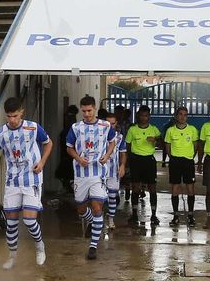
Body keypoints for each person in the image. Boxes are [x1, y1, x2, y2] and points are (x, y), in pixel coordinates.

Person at [0, 97, 51, 270]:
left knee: (29, 221)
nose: (12, 120)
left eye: (15, 116)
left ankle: (40, 246)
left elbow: (48, 143)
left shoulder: (33, 128)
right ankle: (12, 256)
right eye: (9, 116)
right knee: (11, 223)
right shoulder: (1, 133)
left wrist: (42, 162)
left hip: (32, 179)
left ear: (21, 112)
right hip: (12, 181)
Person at [64, 95, 115, 260]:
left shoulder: (105, 126)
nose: (86, 114)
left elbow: (112, 141)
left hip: (98, 173)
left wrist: (107, 155)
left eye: (89, 111)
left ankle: (93, 247)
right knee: (80, 208)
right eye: (84, 111)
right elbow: (69, 148)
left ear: (94, 109)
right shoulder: (76, 127)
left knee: (97, 207)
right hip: (80, 174)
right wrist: (78, 159)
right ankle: (93, 222)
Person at [123, 105, 162, 227]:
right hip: (136, 160)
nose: (144, 118)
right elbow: (127, 146)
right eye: (141, 115)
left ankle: (154, 215)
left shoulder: (154, 129)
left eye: (146, 116)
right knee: (135, 187)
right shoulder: (132, 130)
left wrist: (155, 141)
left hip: (149, 160)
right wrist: (127, 161)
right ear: (138, 116)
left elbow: (161, 143)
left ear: (149, 116)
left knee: (152, 187)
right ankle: (134, 214)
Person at [163, 105, 199, 226]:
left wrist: (190, 156)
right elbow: (167, 147)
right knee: (175, 188)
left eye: (185, 115)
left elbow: (195, 146)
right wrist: (173, 157)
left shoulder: (192, 130)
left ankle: (191, 216)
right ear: (176, 116)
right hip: (175, 162)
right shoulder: (170, 130)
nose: (183, 117)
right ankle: (176, 216)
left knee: (190, 188)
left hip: (188, 161)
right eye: (180, 114)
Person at [100, 109, 127, 234]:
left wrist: (122, 166)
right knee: (99, 197)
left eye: (113, 123)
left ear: (116, 124)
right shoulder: (98, 136)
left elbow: (123, 153)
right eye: (108, 123)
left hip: (113, 171)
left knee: (112, 196)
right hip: (99, 171)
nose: (110, 126)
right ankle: (99, 219)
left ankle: (110, 219)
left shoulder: (119, 137)